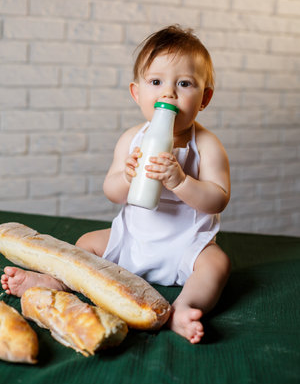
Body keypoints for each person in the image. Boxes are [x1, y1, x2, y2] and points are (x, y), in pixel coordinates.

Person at [1, 25, 231, 344]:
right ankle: (53, 281)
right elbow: (112, 191)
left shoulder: (206, 144)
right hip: (133, 239)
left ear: (204, 97)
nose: (169, 93)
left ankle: (184, 307)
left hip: (184, 247)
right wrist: (126, 176)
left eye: (184, 83)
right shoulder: (132, 139)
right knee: (87, 243)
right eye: (156, 82)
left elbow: (217, 199)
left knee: (217, 263)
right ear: (137, 93)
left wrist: (180, 181)